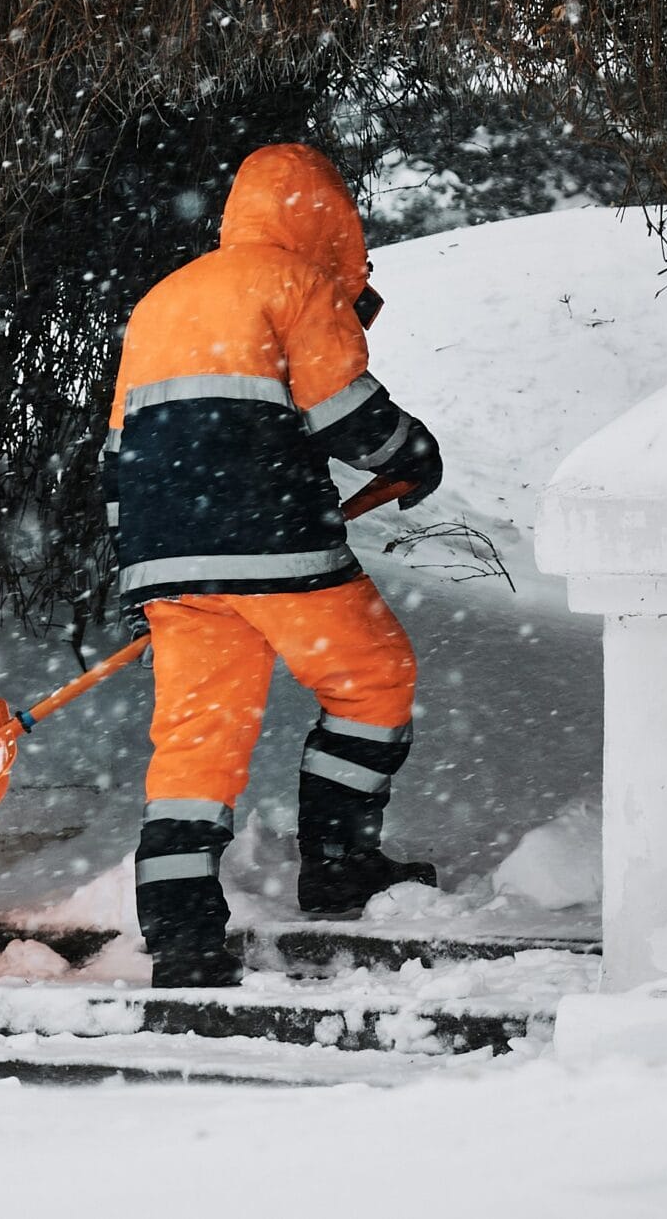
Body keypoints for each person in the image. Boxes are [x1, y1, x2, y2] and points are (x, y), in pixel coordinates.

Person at [101, 143, 446, 987]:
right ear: (327, 218)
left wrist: (144, 566)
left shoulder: (162, 299)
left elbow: (118, 448)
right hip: (273, 539)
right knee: (372, 678)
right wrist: (414, 449)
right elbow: (345, 412)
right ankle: (337, 863)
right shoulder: (297, 283)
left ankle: (180, 933)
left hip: (164, 552)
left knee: (196, 736)